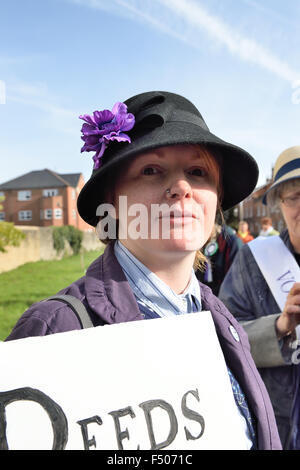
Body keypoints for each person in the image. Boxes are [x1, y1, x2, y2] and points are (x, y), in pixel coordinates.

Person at [5, 91, 281, 450]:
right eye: (151, 170)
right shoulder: (53, 330)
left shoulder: (221, 319)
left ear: (216, 201)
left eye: (198, 172)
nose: (182, 188)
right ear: (111, 200)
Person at [219, 145, 300, 449]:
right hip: (279, 426)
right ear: (279, 203)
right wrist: (279, 326)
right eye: (295, 197)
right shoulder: (253, 261)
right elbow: (225, 339)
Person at [196, 223, 242, 296]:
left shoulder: (232, 242)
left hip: (225, 294)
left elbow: (236, 276)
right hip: (209, 291)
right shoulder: (210, 240)